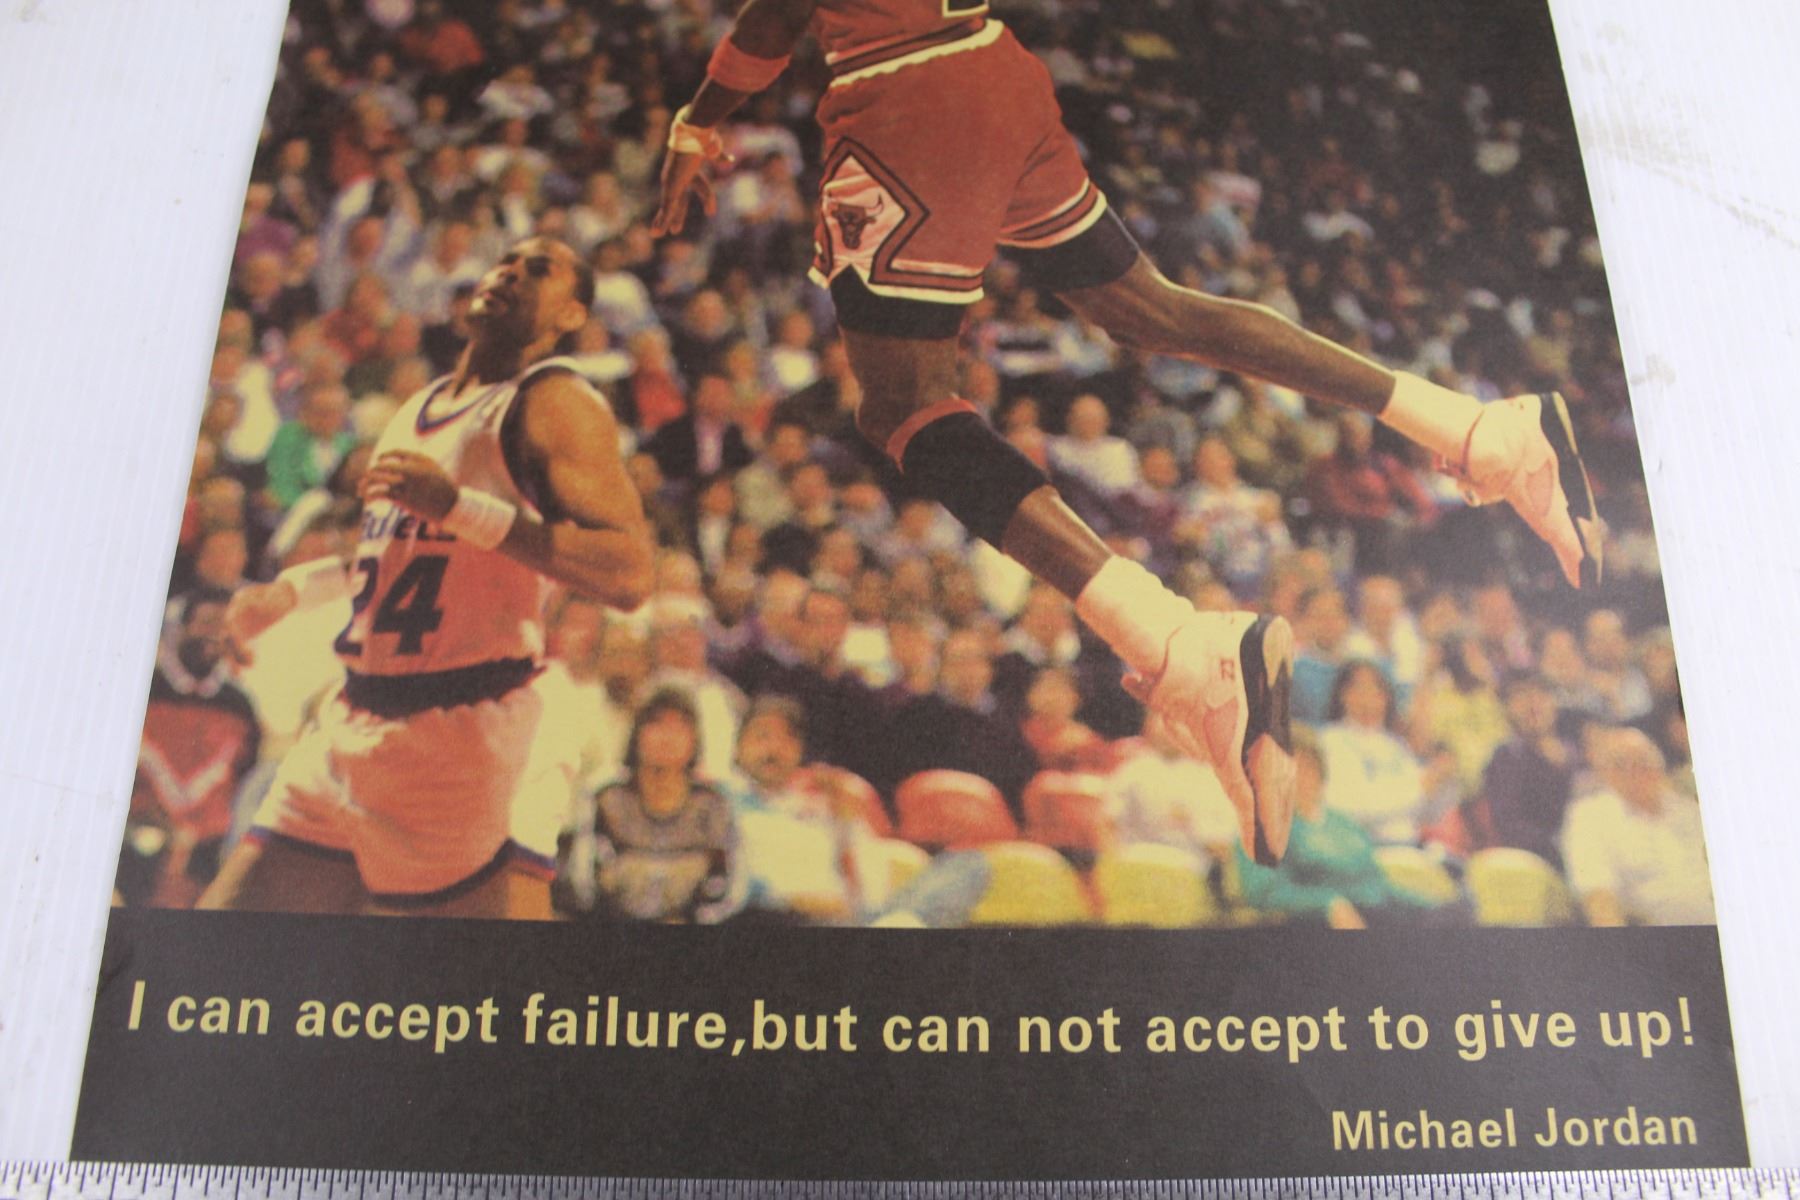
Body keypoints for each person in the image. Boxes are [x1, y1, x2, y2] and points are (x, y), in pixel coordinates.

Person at [653, 0, 1601, 865]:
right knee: (1149, 309)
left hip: (906, 92)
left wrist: (698, 119)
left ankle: (1179, 645)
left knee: (902, 407)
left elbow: (774, 16)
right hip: (991, 64)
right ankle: (1475, 427)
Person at [200, 237, 655, 919]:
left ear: (572, 316)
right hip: (352, 719)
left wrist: (457, 506)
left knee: (465, 979)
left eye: (539, 271)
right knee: (220, 940)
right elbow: (391, 556)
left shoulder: (555, 401)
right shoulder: (420, 406)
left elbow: (628, 571)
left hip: (462, 735)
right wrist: (288, 592)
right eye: (507, 261)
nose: (510, 273)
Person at [553, 687, 738, 924]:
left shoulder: (713, 805)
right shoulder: (606, 799)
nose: (667, 737)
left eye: (680, 726)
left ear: (695, 739)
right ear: (637, 734)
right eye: (656, 724)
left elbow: (728, 887)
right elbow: (583, 883)